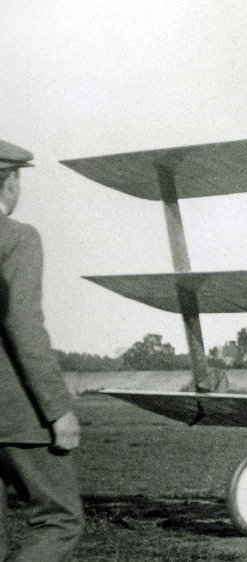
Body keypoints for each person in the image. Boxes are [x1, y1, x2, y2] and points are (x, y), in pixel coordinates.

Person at [0, 140, 85, 561]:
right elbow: (24, 325)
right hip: (15, 416)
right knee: (60, 520)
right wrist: (57, 408)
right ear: (10, 182)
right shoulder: (18, 238)